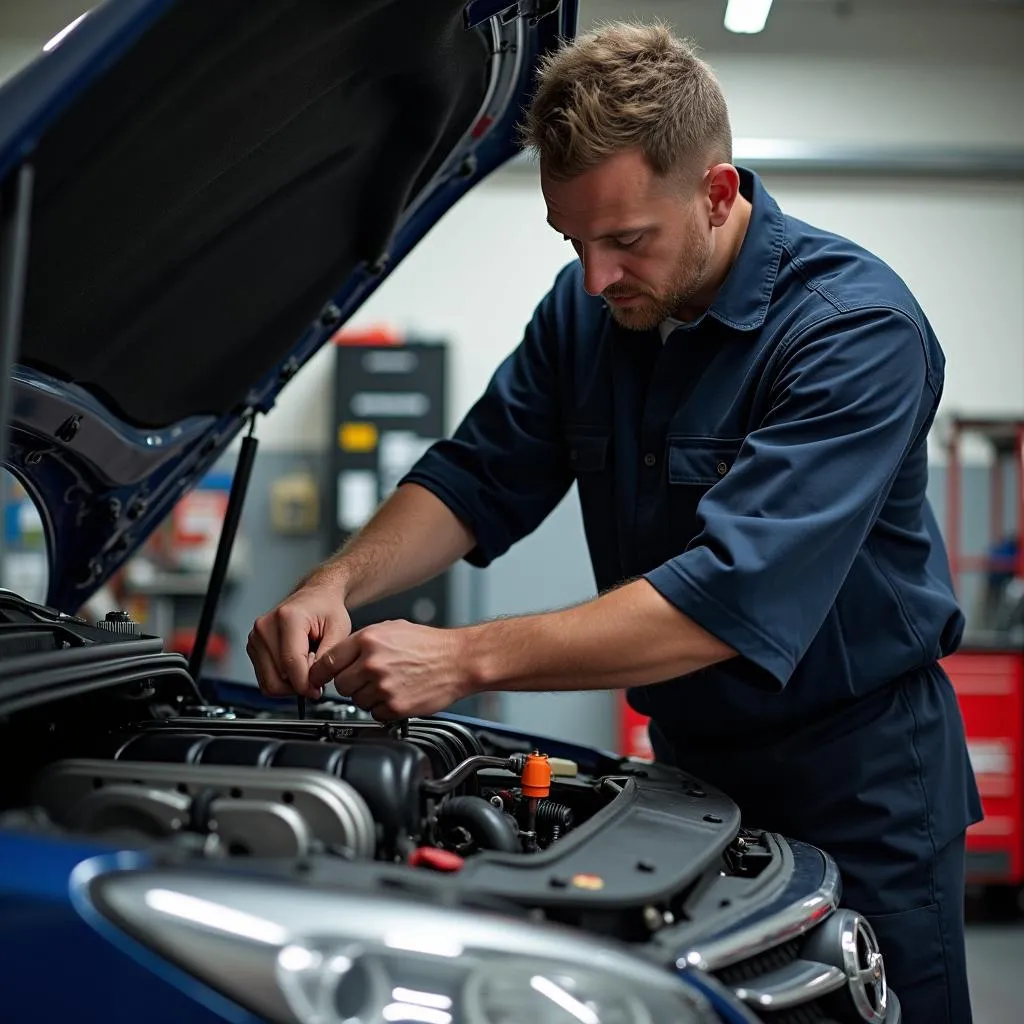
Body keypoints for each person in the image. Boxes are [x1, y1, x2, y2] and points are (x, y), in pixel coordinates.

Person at [248, 21, 981, 1022]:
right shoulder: (588, 311)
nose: (595, 277)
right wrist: (331, 581)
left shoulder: (852, 329)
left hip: (861, 787)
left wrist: (461, 657)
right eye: (573, 242)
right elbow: (475, 475)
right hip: (692, 771)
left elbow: (729, 598)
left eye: (627, 240)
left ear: (717, 193)